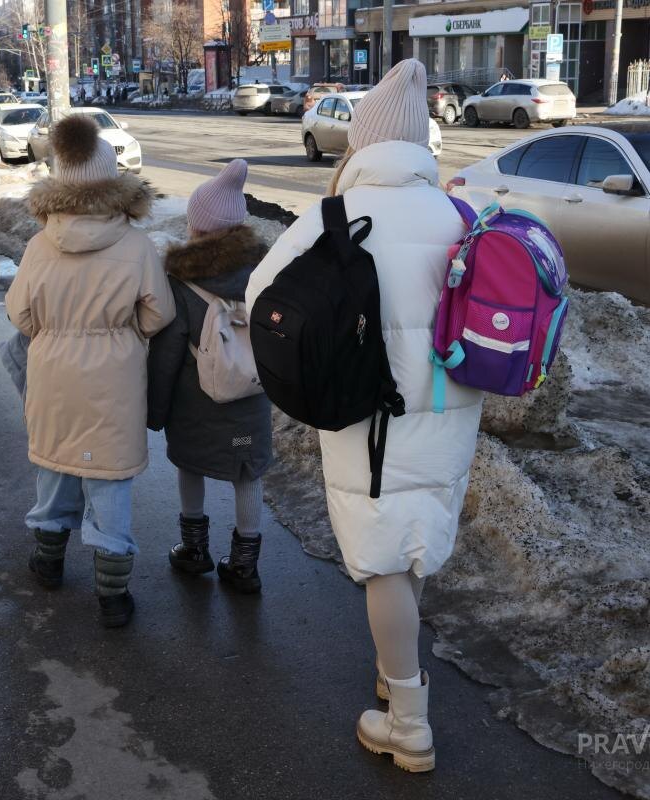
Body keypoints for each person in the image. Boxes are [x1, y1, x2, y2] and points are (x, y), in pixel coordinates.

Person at [246, 59, 483, 773]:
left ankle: (407, 723)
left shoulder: (336, 218)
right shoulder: (459, 214)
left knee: (382, 559)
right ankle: (394, 662)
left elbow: (263, 297)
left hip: (363, 416)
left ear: (361, 142)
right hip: (449, 410)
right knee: (412, 545)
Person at [5, 115, 175, 629]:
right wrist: (123, 332)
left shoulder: (39, 246)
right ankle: (113, 595)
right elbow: (158, 313)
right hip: (115, 379)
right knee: (109, 481)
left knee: (54, 470)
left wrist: (55, 331)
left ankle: (49, 562)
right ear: (114, 184)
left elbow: (20, 314)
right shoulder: (137, 246)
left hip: (53, 375)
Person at [147, 159, 273, 593]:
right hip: (251, 399)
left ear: (196, 225)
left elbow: (165, 355)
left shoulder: (181, 281)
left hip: (193, 404)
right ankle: (244, 564)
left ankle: (194, 549)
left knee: (189, 463)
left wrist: (156, 411)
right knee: (246, 471)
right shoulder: (266, 273)